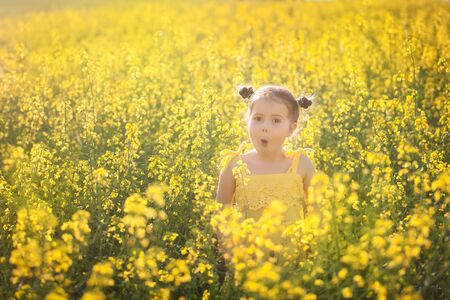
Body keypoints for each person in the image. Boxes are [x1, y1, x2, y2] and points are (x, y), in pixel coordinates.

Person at [213, 84, 317, 285]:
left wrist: (313, 253)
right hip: (247, 265)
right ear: (248, 121)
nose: (264, 126)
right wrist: (230, 254)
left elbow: (318, 213)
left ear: (291, 128)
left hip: (293, 265)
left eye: (276, 120)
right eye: (258, 118)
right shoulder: (234, 164)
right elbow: (221, 214)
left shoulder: (302, 164)